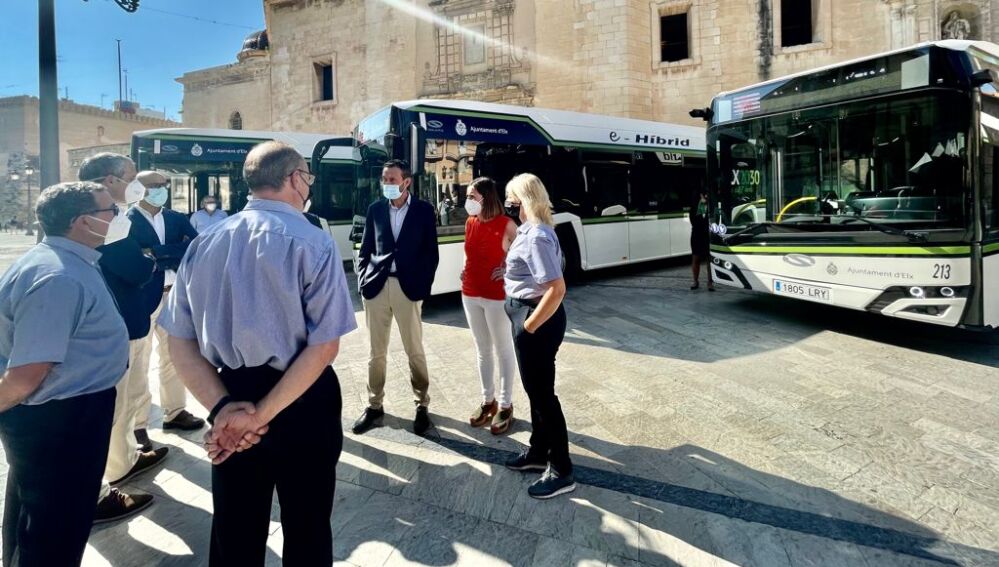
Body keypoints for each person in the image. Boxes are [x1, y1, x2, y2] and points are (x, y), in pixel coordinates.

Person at [159, 141, 356, 565]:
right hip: (303, 396)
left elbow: (180, 341)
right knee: (307, 524)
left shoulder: (204, 243)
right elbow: (324, 345)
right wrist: (260, 415)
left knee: (235, 526)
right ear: (295, 179)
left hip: (230, 394)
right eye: (308, 177)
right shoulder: (313, 243)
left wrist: (224, 410)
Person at [0, 182, 129, 566]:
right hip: (60, 421)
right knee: (55, 529)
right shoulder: (58, 277)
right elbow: (25, 375)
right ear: (82, 221)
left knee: (35, 519)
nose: (117, 217)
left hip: (63, 415)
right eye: (110, 211)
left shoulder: (65, 261)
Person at [79, 152, 164, 523]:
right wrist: (148, 260)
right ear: (110, 180)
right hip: (115, 326)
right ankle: (98, 491)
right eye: (131, 176)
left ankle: (123, 461)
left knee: (124, 401)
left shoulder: (106, 215)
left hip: (123, 320)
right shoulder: (101, 219)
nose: (136, 184)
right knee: (111, 407)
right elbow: (136, 267)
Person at [501, 173, 575, 500]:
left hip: (536, 319)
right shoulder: (533, 231)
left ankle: (561, 468)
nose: (507, 204)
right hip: (531, 314)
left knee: (543, 396)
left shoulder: (536, 236)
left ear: (522, 199)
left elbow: (556, 289)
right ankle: (538, 451)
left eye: (511, 198)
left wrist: (529, 327)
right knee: (537, 392)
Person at [352, 159, 439, 436]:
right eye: (384, 179)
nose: (386, 184)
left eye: (392, 179)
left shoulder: (424, 211)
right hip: (376, 288)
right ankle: (374, 405)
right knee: (375, 353)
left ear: (406, 182)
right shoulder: (375, 209)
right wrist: (363, 280)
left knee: (415, 350)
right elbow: (366, 249)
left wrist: (422, 285)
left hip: (407, 289)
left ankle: (422, 405)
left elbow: (431, 253)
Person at [127, 171, 205, 453]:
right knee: (140, 362)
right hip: (142, 298)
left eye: (163, 185)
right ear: (139, 188)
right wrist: (172, 252)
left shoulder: (176, 218)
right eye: (154, 186)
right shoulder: (126, 220)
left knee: (173, 357)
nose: (161, 190)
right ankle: (138, 425)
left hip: (174, 296)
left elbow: (195, 246)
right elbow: (133, 257)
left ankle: (175, 412)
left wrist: (157, 252)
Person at [461, 177, 519, 435]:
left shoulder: (506, 224)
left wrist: (507, 269)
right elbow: (469, 252)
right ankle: (488, 401)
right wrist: (464, 269)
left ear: (486, 198)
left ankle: (505, 405)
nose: (468, 201)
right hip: (470, 293)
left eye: (472, 196)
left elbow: (524, 255)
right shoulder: (470, 222)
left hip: (496, 296)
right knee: (482, 349)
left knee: (503, 349)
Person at [689, 188, 714, 291]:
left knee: (709, 259)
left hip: (708, 235)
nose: (706, 197)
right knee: (696, 258)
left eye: (707, 195)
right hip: (697, 234)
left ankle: (710, 282)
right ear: (700, 195)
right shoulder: (695, 206)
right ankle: (695, 281)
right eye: (704, 195)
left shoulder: (711, 206)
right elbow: (692, 220)